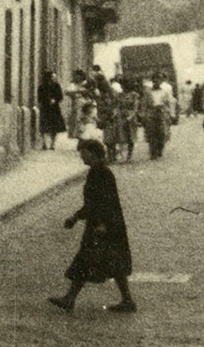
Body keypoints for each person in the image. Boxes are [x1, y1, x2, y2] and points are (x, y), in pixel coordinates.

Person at [49, 139, 136, 314]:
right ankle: (126, 300)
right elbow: (92, 203)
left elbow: (105, 202)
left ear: (92, 153)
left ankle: (70, 298)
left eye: (83, 153)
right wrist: (76, 217)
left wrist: (101, 224)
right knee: (110, 261)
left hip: (104, 225)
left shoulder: (102, 173)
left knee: (88, 259)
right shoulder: (97, 171)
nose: (81, 157)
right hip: (104, 224)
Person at [38, 71, 66, 150]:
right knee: (43, 127)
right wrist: (46, 101)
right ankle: (44, 144)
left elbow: (60, 96)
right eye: (52, 77)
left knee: (54, 127)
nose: (54, 79)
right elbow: (40, 97)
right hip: (45, 108)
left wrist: (55, 99)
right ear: (48, 78)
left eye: (54, 77)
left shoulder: (57, 86)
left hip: (54, 109)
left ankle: (52, 144)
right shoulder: (42, 87)